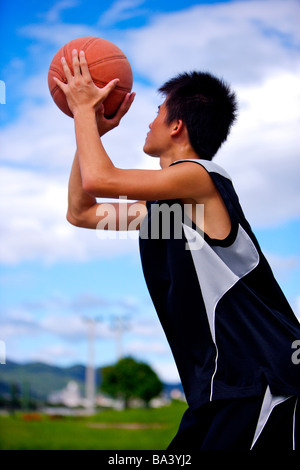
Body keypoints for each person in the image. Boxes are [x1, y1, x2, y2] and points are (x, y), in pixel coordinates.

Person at [54, 49, 300, 450]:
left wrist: (84, 109)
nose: (148, 122)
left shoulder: (200, 179)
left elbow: (101, 180)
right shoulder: (167, 211)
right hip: (219, 393)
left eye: (157, 111)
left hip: (264, 383)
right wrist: (92, 132)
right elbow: (81, 212)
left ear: (177, 126)